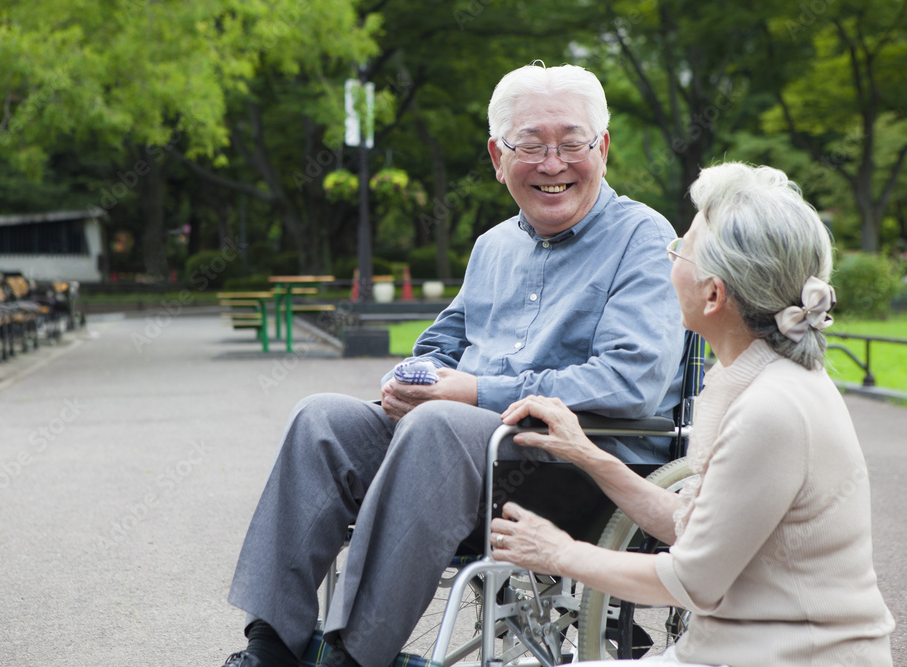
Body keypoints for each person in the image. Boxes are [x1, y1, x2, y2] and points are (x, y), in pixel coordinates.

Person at [222, 62, 687, 667]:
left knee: (440, 425)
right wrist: (409, 381)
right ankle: (271, 647)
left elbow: (632, 382)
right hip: (455, 459)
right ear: (498, 156)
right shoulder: (493, 245)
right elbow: (440, 345)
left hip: (580, 468)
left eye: (571, 143)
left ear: (603, 148)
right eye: (530, 145)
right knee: (322, 419)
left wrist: (473, 393)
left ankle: (352, 658)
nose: (552, 163)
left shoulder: (644, 237)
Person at [490, 162, 896, 666]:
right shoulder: (762, 380)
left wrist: (556, 552)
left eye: (681, 247)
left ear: (714, 294)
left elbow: (691, 580)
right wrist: (588, 454)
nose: (670, 259)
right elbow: (694, 526)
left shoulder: (771, 408)